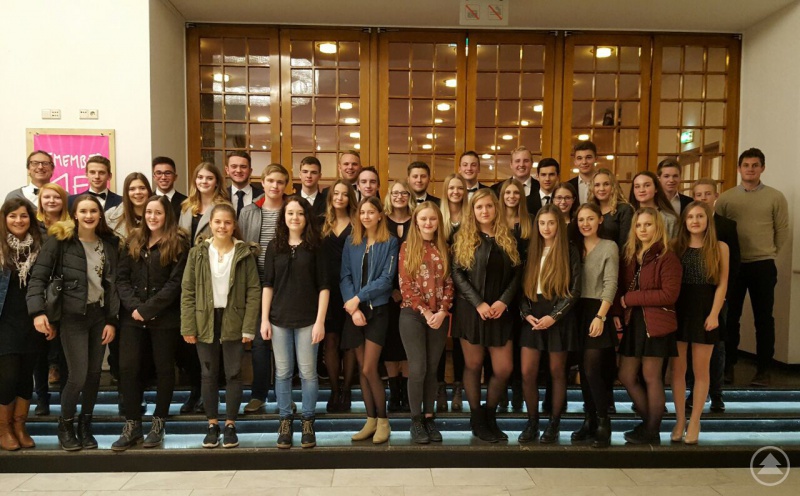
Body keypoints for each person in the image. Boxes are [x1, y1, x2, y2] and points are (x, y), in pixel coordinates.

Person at [28, 194, 120, 451]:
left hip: (99, 317)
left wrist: (112, 320)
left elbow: (112, 286)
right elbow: (38, 278)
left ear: (100, 215)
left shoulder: (108, 244)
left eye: (93, 211)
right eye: (84, 211)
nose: (89, 215)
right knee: (77, 375)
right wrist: (37, 312)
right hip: (72, 317)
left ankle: (85, 426)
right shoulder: (60, 241)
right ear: (75, 215)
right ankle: (65, 425)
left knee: (93, 375)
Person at [111, 195, 189, 450]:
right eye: (149, 212)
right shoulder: (132, 240)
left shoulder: (178, 243)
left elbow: (175, 284)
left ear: (167, 215)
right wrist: (136, 308)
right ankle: (132, 424)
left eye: (158, 212)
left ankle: (158, 423)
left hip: (164, 317)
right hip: (132, 317)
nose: (153, 217)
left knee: (164, 369)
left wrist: (149, 309)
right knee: (128, 368)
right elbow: (121, 278)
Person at [180, 203, 260, 449]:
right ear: (210, 224)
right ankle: (212, 424)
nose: (222, 226)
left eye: (227, 222)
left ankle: (230, 424)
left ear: (234, 225)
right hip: (205, 319)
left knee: (234, 373)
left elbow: (253, 292)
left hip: (234, 319)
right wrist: (188, 326)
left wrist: (249, 327)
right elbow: (188, 291)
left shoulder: (244, 253)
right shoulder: (198, 253)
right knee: (208, 374)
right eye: (217, 222)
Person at [451, 189, 521, 443]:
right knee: (473, 365)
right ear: (473, 211)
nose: (484, 211)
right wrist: (478, 303)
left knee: (503, 368)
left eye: (489, 206)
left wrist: (503, 301)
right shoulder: (463, 237)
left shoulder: (508, 237)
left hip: (500, 311)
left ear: (496, 208)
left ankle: (489, 415)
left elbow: (517, 273)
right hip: (471, 310)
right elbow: (457, 273)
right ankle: (477, 417)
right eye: (479, 207)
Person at [715, 148, 788, 386]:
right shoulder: (726, 199)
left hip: (762, 264)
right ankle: (728, 367)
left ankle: (764, 370)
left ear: (762, 168)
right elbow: (719, 230)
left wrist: (770, 253)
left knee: (763, 319)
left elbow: (782, 230)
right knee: (730, 318)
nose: (750, 169)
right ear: (739, 168)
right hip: (733, 265)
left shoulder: (775, 197)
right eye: (746, 165)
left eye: (755, 165)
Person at [262, 197, 329, 449]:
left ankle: (308, 421)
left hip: (308, 320)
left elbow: (324, 287)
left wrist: (320, 321)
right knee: (282, 372)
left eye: (300, 213)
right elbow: (268, 285)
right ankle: (285, 421)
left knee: (308, 373)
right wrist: (264, 319)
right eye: (290, 213)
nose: (295, 218)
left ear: (306, 217)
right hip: (279, 319)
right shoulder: (274, 246)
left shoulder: (316, 246)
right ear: (283, 217)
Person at [613, 207, 681, 444]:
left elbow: (669, 295)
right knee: (626, 374)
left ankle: (652, 430)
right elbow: (621, 288)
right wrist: (618, 308)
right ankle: (649, 423)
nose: (642, 229)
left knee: (651, 376)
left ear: (658, 227)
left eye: (648, 224)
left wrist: (631, 299)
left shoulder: (667, 257)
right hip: (634, 323)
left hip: (657, 324)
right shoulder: (631, 255)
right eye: (639, 225)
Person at [518, 204, 581, 444]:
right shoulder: (530, 250)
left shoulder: (569, 250)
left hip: (558, 317)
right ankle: (532, 422)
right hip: (533, 316)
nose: (546, 228)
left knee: (557, 373)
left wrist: (554, 316)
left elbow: (575, 289)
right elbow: (520, 287)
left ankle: (554, 423)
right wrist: (526, 313)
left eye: (551, 223)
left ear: (559, 225)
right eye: (542, 223)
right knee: (527, 372)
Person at [341, 197, 399, 444]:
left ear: (380, 215)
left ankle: (384, 421)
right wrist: (353, 307)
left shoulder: (390, 242)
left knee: (369, 368)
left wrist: (358, 298)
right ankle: (370, 420)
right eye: (362, 212)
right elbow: (344, 276)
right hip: (354, 312)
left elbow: (386, 280)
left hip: (378, 311)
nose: (365, 216)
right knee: (362, 371)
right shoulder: (352, 242)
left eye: (371, 212)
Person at [671, 201, 729, 445]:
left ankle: (695, 420)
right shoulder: (676, 246)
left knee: (701, 370)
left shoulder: (720, 247)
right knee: (677, 370)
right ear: (684, 221)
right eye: (690, 217)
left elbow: (722, 284)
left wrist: (714, 314)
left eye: (700, 216)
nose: (695, 221)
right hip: (679, 309)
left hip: (706, 309)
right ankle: (679, 420)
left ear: (708, 220)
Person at [399, 202, 453, 444]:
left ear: (438, 221)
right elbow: (405, 284)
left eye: (432, 219)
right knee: (418, 368)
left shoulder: (445, 248)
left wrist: (442, 311)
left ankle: (430, 417)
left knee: (432, 368)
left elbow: (450, 283)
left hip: (439, 315)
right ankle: (416, 420)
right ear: (416, 221)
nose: (428, 223)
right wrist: (425, 311)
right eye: (423, 219)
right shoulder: (407, 247)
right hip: (413, 314)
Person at [0, 199, 50, 451]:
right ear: (4, 219)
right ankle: (4, 428)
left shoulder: (41, 246)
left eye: (23, 216)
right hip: (4, 321)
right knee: (7, 376)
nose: (18, 220)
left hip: (32, 320)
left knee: (25, 376)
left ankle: (20, 426)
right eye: (12, 216)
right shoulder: (0, 247)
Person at [239, 163, 289, 414]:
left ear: (285, 185)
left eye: (280, 182)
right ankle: (259, 394)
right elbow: (240, 246)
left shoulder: (292, 209)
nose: (275, 186)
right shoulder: (248, 211)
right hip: (256, 284)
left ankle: (285, 395)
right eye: (270, 181)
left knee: (284, 342)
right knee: (259, 342)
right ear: (263, 182)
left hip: (286, 284)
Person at [690, 178, 740, 411]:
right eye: (698, 194)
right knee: (692, 350)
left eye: (707, 194)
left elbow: (733, 265)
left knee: (717, 346)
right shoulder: (687, 226)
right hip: (692, 300)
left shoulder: (726, 226)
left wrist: (722, 300)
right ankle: (693, 393)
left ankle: (717, 394)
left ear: (715, 196)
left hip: (717, 298)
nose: (703, 198)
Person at [572, 203, 618, 448]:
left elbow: (611, 284)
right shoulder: (574, 246)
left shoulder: (609, 246)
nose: (585, 224)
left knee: (592, 370)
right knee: (583, 370)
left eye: (590, 218)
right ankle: (589, 420)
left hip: (598, 310)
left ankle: (603, 422)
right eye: (581, 220)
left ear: (600, 219)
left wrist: (600, 317)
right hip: (576, 310)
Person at [320, 180, 358, 412]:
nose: (340, 198)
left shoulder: (358, 223)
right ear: (330, 196)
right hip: (326, 290)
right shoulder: (321, 223)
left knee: (350, 342)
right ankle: (334, 389)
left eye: (345, 194)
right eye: (336, 193)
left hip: (351, 289)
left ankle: (346, 389)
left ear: (350, 198)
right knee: (331, 341)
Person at [32, 184, 70, 415]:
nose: (52, 200)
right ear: (40, 201)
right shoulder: (32, 227)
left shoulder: (71, 226)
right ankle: (42, 400)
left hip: (64, 296)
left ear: (64, 201)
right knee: (39, 353)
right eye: (47, 197)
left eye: (57, 197)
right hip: (37, 293)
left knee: (64, 354)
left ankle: (66, 402)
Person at [436, 173, 468, 412]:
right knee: (438, 337)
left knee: (459, 338)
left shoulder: (471, 216)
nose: (455, 192)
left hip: (465, 285)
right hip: (440, 283)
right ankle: (439, 388)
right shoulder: (438, 215)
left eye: (460, 188)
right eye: (451, 188)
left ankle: (458, 387)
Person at [384, 181, 413, 412]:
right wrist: (391, 289)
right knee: (391, 343)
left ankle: (406, 391)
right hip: (387, 294)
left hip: (414, 294)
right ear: (389, 196)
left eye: (404, 192)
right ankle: (394, 393)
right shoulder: (382, 221)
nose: (399, 196)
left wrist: (408, 291)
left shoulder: (418, 220)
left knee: (407, 344)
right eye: (395, 193)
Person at [179, 162, 230, 245]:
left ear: (217, 182)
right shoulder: (186, 206)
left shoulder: (225, 208)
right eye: (200, 177)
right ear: (195, 180)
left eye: (209, 178)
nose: (204, 181)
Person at [589, 168, 634, 249]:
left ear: (613, 186)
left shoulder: (624, 209)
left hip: (616, 255)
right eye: (597, 185)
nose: (601, 189)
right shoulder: (590, 210)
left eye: (606, 184)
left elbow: (625, 244)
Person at [491, 146, 542, 215]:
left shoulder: (540, 187)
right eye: (517, 161)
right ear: (511, 164)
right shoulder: (496, 189)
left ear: (531, 164)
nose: (521, 164)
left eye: (526, 161)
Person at [628, 171, 678, 239]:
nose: (641, 190)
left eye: (647, 185)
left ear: (656, 189)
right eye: (637, 186)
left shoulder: (669, 218)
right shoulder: (628, 215)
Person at [105, 172, 153, 240]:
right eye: (132, 189)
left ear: (148, 191)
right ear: (126, 193)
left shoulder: (160, 215)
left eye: (142, 188)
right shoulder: (109, 216)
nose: (138, 192)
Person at [226, 151, 264, 217]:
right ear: (227, 170)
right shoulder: (221, 195)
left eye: (243, 167)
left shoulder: (262, 196)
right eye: (234, 166)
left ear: (250, 171)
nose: (238, 170)